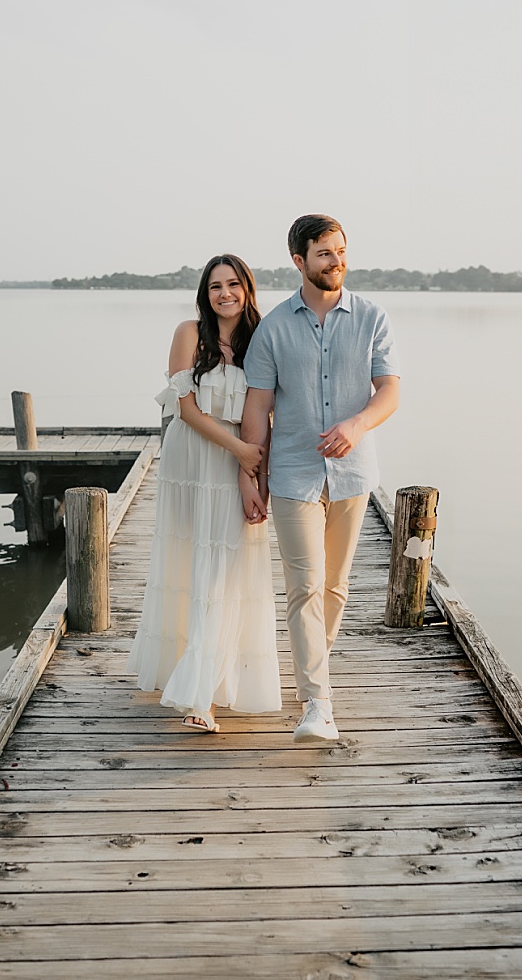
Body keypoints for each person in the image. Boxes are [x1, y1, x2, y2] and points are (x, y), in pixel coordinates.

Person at [241, 215, 401, 743]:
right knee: (304, 587)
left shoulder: (373, 317)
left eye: (341, 251)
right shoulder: (273, 328)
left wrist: (356, 424)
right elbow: (258, 407)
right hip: (293, 474)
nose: (337, 261)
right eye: (325, 253)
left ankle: (314, 669)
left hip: (354, 476)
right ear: (299, 260)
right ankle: (317, 704)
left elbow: (389, 393)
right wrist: (252, 475)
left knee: (335, 587)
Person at [127, 258, 280, 731]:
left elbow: (268, 417)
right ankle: (198, 691)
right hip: (191, 458)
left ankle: (208, 687)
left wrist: (260, 480)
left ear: (247, 288)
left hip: (238, 462)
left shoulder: (263, 338)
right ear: (205, 293)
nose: (224, 293)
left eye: (233, 284)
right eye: (215, 286)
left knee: (224, 570)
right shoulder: (188, 333)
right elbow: (185, 409)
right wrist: (239, 450)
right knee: (194, 565)